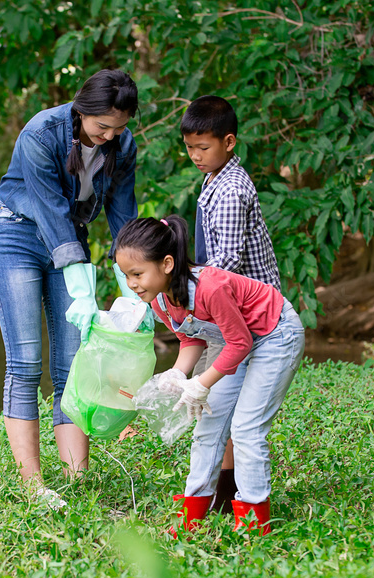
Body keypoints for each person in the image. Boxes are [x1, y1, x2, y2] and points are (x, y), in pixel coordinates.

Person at [0, 69, 139, 507]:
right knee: (27, 360)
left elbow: (122, 216)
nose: (110, 136)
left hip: (70, 240)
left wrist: (132, 283)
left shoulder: (123, 147)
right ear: (81, 110)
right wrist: (80, 278)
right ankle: (33, 485)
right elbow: (50, 209)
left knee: (73, 363)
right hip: (17, 239)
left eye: (120, 127)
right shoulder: (41, 132)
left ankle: (77, 477)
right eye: (101, 126)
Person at [114, 215, 304, 536]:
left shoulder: (210, 288)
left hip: (274, 334)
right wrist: (178, 373)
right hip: (232, 341)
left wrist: (201, 383)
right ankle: (192, 516)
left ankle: (255, 525)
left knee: (245, 429)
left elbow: (240, 342)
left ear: (167, 264)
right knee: (207, 428)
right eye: (125, 276)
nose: (132, 284)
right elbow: (192, 337)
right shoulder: (160, 300)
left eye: (137, 274)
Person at [180, 95, 282, 515]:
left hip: (251, 315)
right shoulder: (215, 180)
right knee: (219, 404)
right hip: (232, 310)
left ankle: (232, 496)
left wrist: (189, 291)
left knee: (229, 406)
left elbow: (227, 263)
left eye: (203, 148)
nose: (196, 156)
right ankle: (223, 494)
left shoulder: (232, 190)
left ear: (229, 141)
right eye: (189, 148)